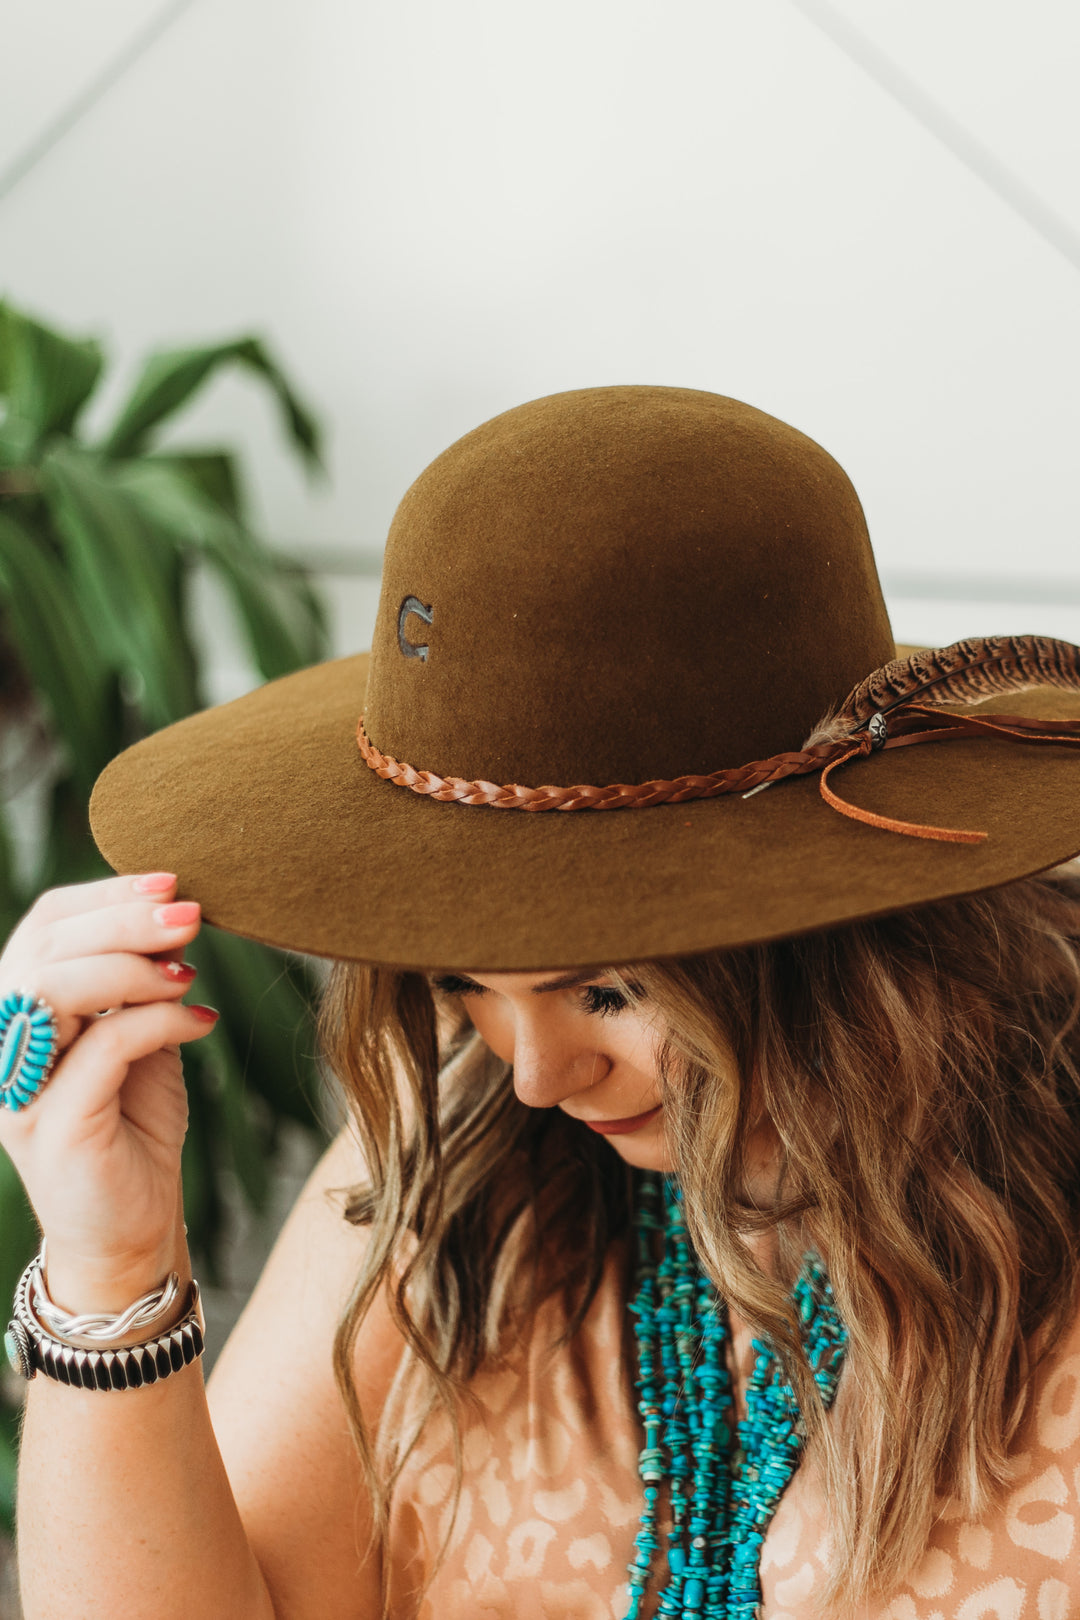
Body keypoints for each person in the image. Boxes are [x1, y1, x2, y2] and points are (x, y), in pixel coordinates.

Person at [3, 385, 1080, 1620]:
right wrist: (108, 1262)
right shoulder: (455, 1164)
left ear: (840, 934)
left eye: (609, 991)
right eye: (464, 982)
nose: (533, 1073)